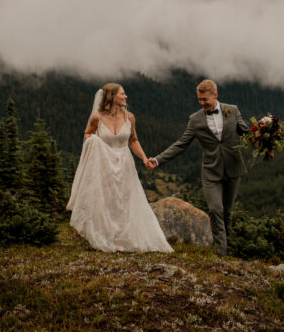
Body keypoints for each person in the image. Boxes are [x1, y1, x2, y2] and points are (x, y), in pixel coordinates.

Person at [66, 83, 173, 253]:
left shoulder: (129, 118)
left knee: (125, 200)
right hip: (103, 164)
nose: (126, 97)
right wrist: (93, 142)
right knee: (107, 200)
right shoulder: (97, 118)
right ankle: (106, 237)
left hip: (125, 164)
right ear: (111, 96)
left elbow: (133, 140)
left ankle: (126, 238)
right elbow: (88, 134)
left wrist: (145, 158)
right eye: (122, 94)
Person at [147, 79, 247, 258]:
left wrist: (267, 139)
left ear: (215, 95)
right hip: (210, 172)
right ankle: (221, 256)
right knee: (216, 210)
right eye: (199, 100)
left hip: (233, 168)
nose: (202, 103)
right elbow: (180, 144)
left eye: (205, 99)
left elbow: (247, 134)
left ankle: (227, 248)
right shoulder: (195, 120)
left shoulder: (232, 111)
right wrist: (158, 160)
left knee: (227, 213)